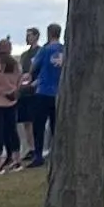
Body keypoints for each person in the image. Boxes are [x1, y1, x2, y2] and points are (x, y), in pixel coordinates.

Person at [29, 23, 64, 167]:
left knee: (39, 125)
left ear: (49, 33)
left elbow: (33, 67)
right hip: (59, 92)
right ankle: (58, 153)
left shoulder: (45, 50)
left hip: (43, 91)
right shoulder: (65, 49)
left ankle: (38, 155)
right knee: (57, 125)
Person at [18, 27, 42, 163]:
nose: (27, 38)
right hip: (24, 91)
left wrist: (35, 83)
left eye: (30, 35)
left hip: (35, 90)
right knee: (26, 122)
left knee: (34, 121)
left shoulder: (39, 52)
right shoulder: (24, 55)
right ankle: (30, 148)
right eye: (26, 35)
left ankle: (37, 148)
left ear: (36, 36)